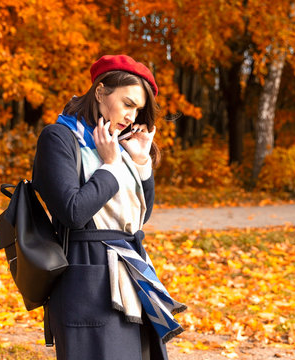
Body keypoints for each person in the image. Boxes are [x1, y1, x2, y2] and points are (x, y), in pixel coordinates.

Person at [32, 55, 185, 360]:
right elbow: (73, 212)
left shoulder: (116, 143)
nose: (131, 116)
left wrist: (141, 162)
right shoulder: (59, 139)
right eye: (128, 103)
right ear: (100, 92)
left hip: (131, 275)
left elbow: (138, 219)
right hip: (87, 280)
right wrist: (111, 166)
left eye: (138, 109)